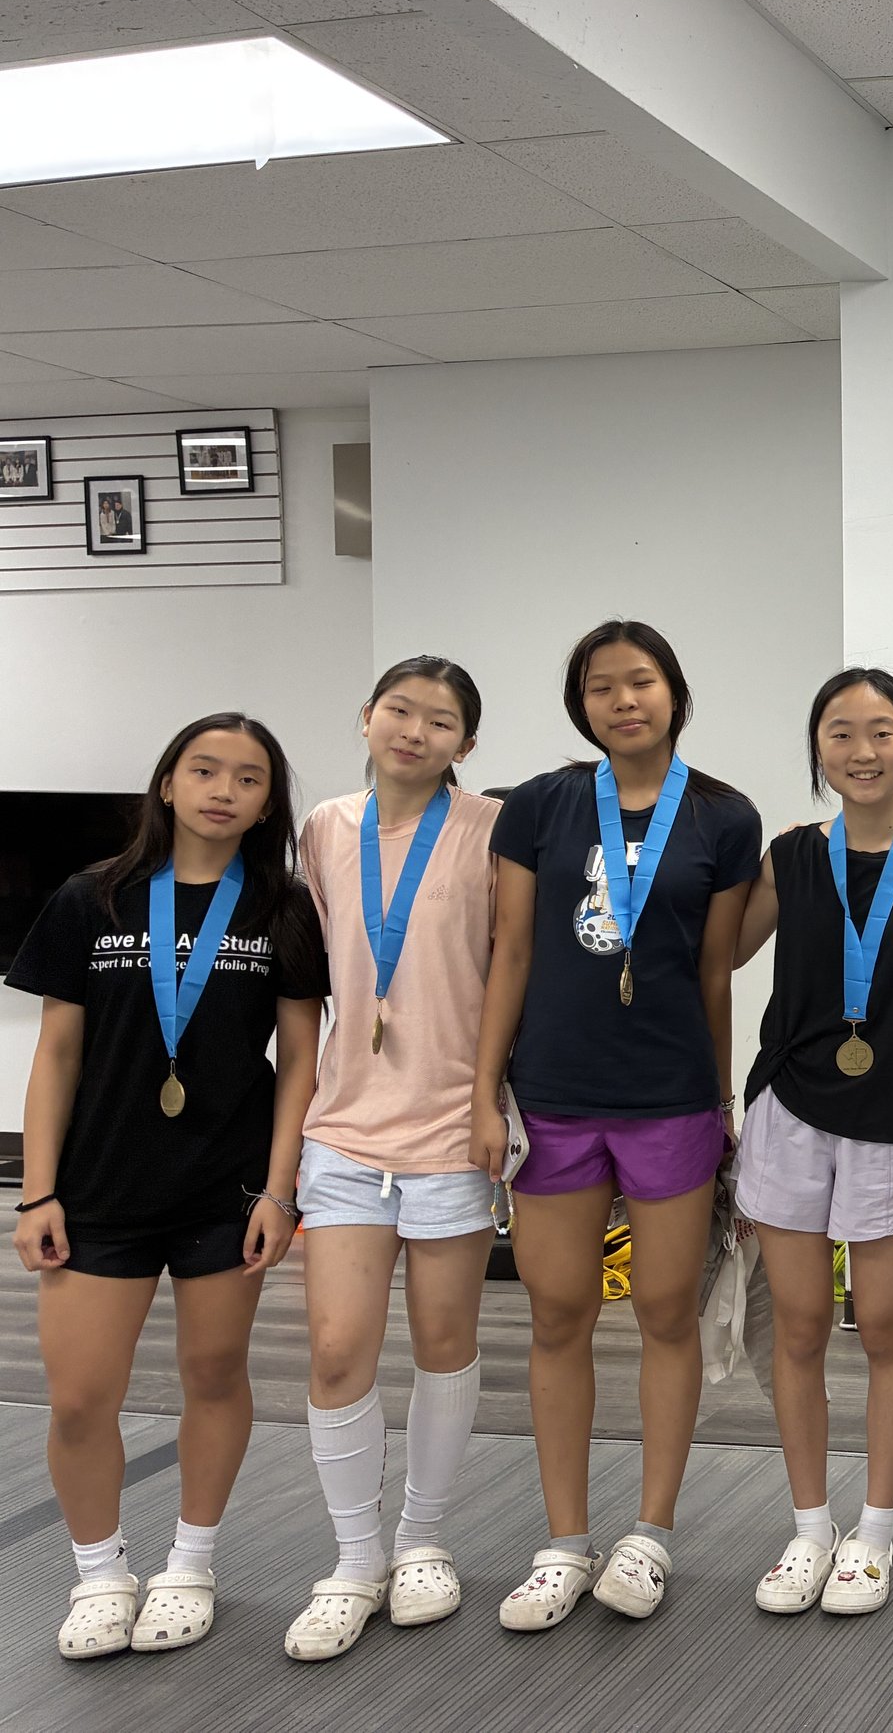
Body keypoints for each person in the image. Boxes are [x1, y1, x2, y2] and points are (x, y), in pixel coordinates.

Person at [11, 714, 325, 1660]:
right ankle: (101, 1572)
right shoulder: (92, 897)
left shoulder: (279, 904)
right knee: (78, 1398)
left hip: (224, 1189)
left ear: (269, 802)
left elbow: (304, 1057)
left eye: (249, 777)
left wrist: (280, 1191)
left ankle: (191, 1561)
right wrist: (36, 1192)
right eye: (204, 769)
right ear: (167, 783)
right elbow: (56, 1051)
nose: (224, 788)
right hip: (98, 1188)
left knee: (215, 1374)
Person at [473, 620, 761, 1631]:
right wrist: (483, 1093)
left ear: (674, 694)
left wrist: (719, 1097)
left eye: (641, 682)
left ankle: (649, 1534)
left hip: (670, 1097)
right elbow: (508, 954)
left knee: (665, 1310)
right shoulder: (538, 808)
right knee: (556, 1314)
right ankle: (562, 1542)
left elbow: (714, 970)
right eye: (602, 687)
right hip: (551, 1092)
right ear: (580, 703)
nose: (623, 700)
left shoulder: (723, 817)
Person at [734, 668, 893, 1618]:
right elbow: (720, 949)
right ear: (818, 749)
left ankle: (875, 1530)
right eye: (840, 732)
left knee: (884, 1324)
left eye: (881, 730)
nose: (861, 750)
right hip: (791, 1109)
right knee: (799, 1328)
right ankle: (810, 1526)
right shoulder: (788, 855)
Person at [281, 659, 503, 1661]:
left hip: (452, 1127)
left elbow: (513, 969)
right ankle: (355, 1557)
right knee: (337, 1351)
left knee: (445, 1343)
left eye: (442, 719)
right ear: (366, 718)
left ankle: (422, 1541)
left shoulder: (493, 828)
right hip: (344, 1127)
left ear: (466, 741)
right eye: (401, 711)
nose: (416, 730)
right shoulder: (324, 827)